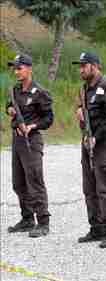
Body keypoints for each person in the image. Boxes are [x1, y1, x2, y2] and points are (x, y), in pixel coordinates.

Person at [73, 52, 106, 249]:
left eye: (84, 66)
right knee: (89, 186)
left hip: (102, 142)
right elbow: (85, 112)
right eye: (80, 66)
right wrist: (80, 115)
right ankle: (97, 227)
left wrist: (96, 137)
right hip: (87, 140)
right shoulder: (85, 88)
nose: (81, 69)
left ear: (94, 66)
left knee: (104, 186)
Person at [5, 54, 53, 238]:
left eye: (19, 68)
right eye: (15, 68)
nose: (16, 71)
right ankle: (27, 218)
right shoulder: (15, 90)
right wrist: (9, 109)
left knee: (35, 180)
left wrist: (33, 126)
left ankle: (43, 221)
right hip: (16, 140)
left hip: (31, 140)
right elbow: (9, 106)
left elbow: (48, 118)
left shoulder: (40, 92)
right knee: (19, 182)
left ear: (29, 68)